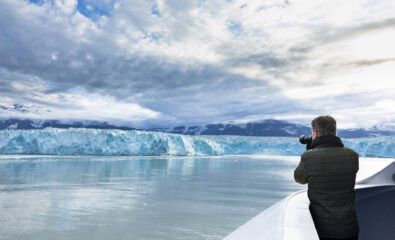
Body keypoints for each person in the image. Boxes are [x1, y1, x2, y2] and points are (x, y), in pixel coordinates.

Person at [294, 116, 360, 240]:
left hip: (322, 229)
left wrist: (310, 150)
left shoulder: (309, 157)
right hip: (349, 228)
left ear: (315, 132)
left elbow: (299, 179)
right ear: (335, 131)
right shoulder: (352, 155)